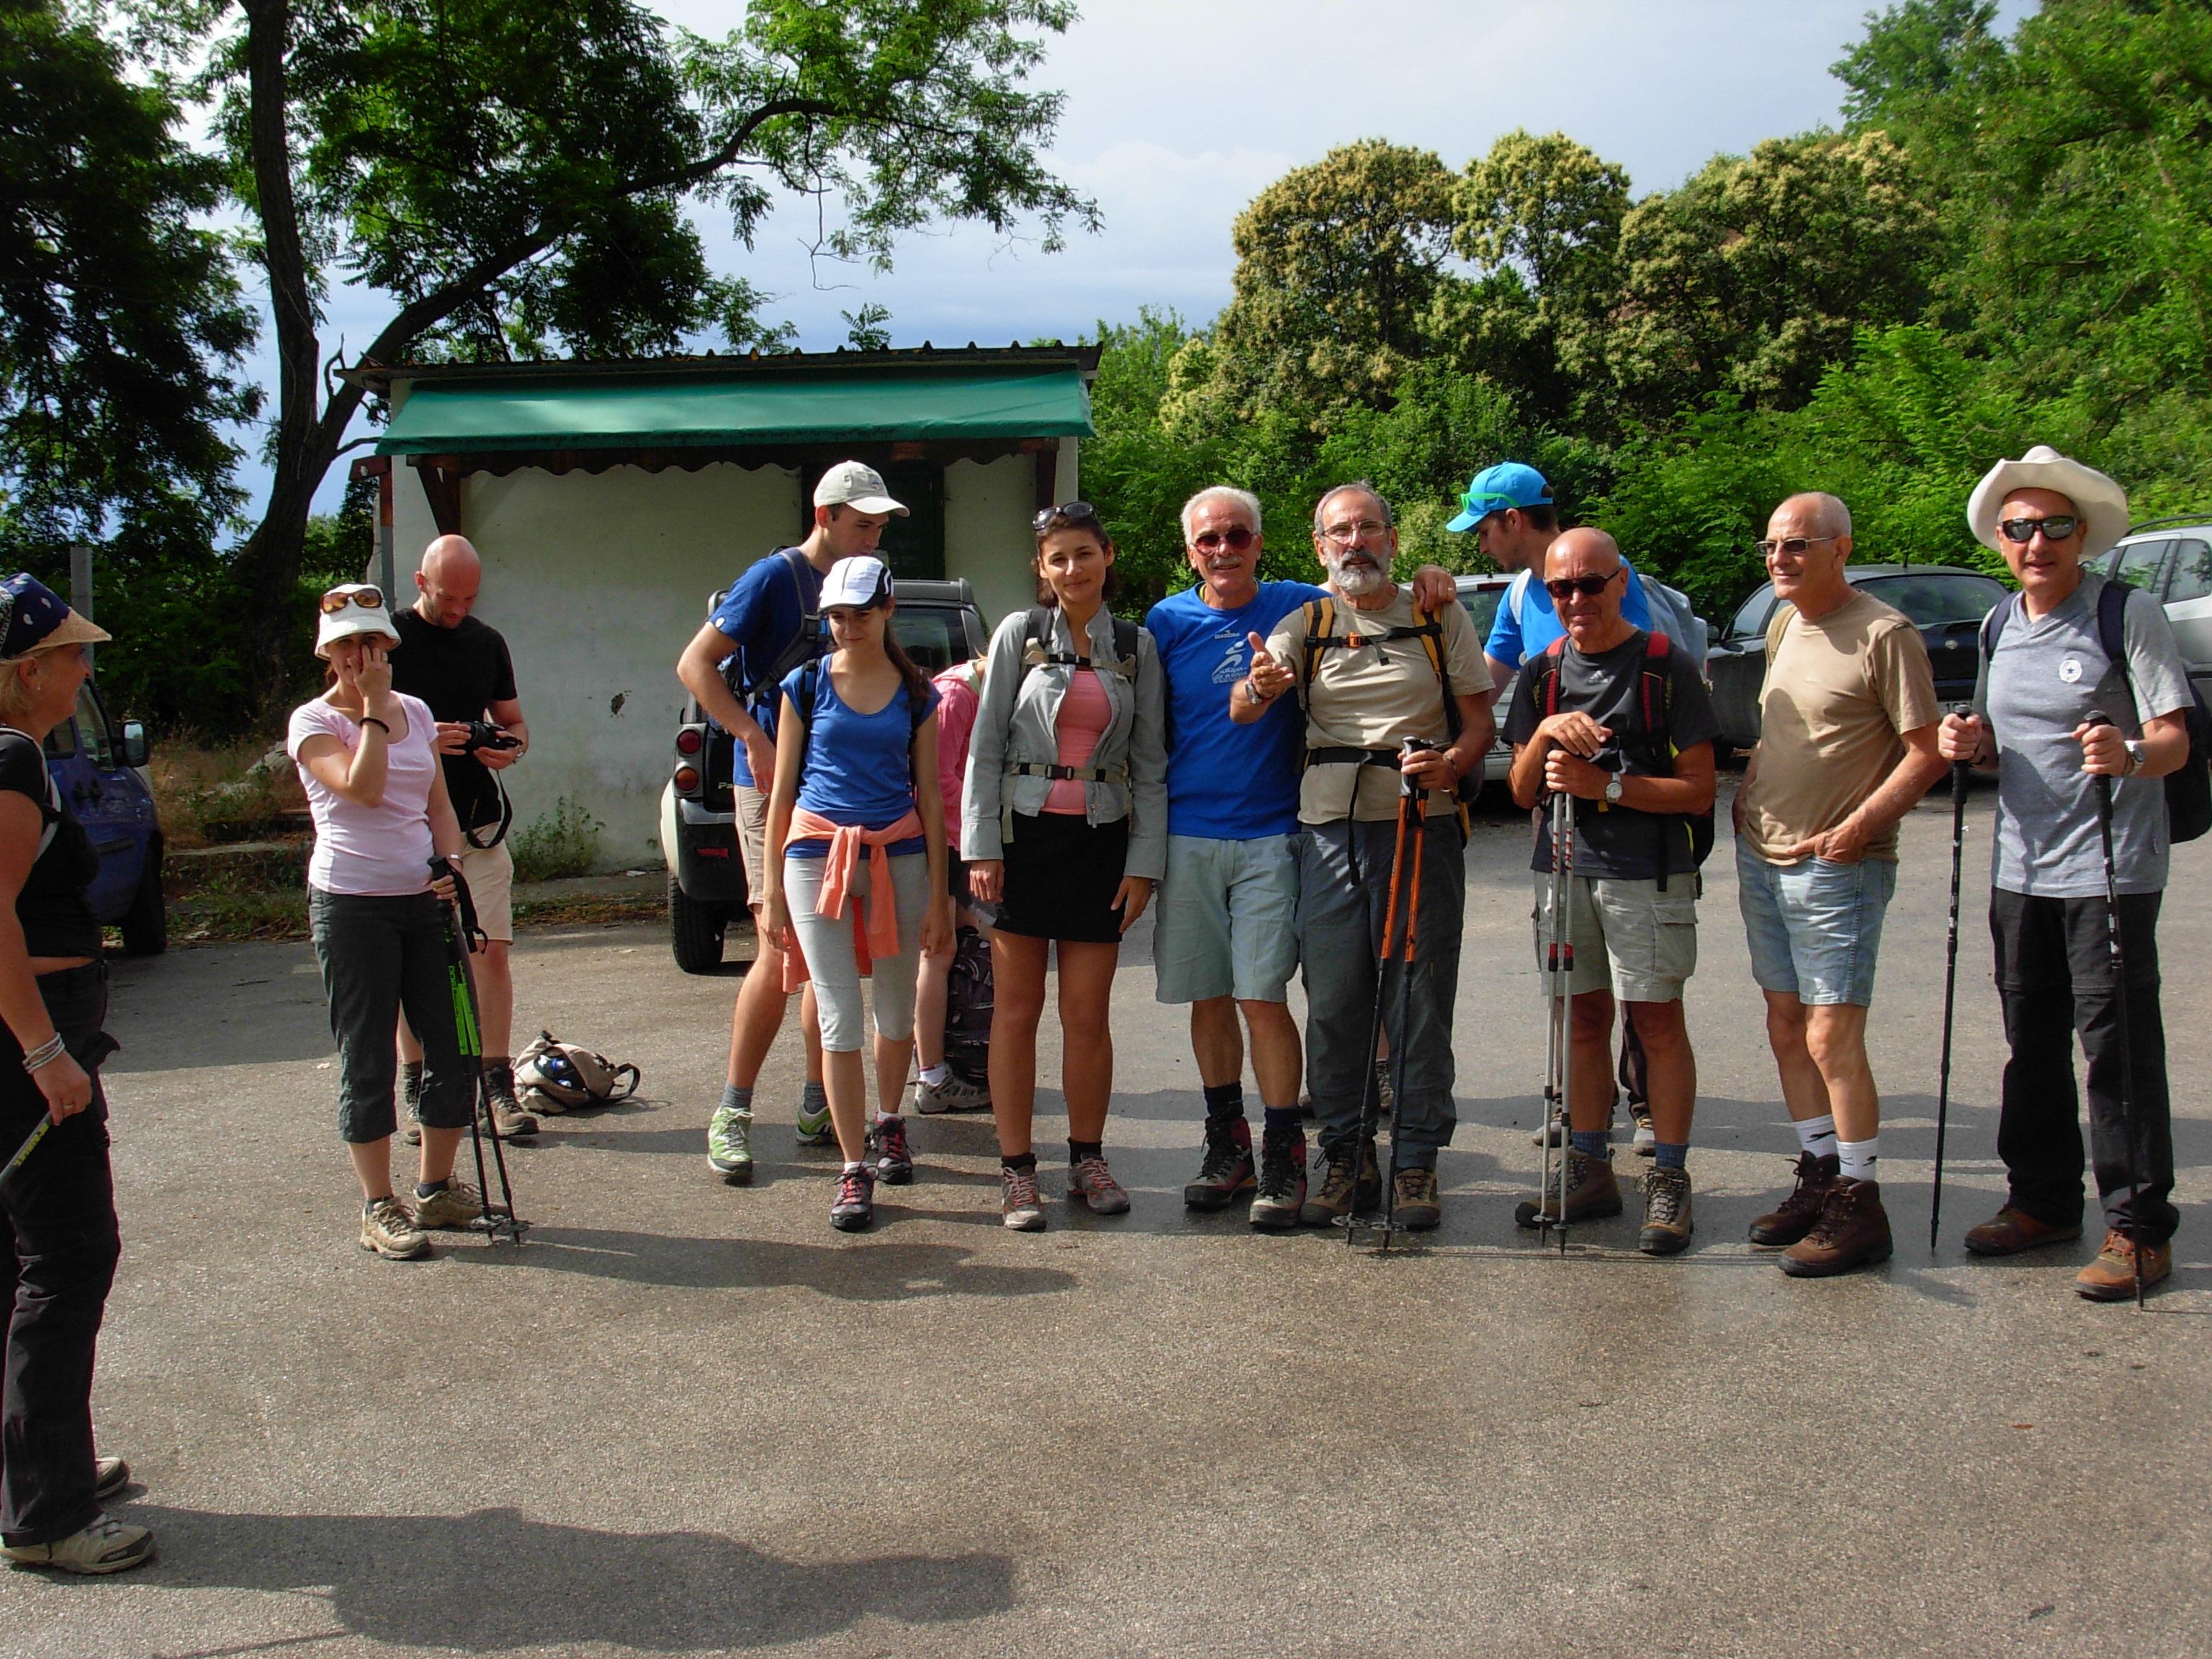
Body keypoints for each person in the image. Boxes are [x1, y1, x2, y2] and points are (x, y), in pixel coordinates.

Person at [1145, 486, 1459, 1227]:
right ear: (1190, 551)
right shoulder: (1165, 621)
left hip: (1281, 831)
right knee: (1213, 998)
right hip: (1192, 833)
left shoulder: (1298, 604)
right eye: (1208, 540)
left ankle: (1290, 1148)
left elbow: (1365, 582)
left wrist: (1432, 578)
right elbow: (1153, 731)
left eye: (1238, 536)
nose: (1224, 550)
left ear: (1261, 543)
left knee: (1268, 997)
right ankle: (1232, 1145)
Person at [1938, 446, 2193, 1301]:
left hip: (2110, 870)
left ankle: (2139, 1228)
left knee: (2116, 1048)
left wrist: (2129, 753)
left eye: (2054, 526)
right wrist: (1969, 743)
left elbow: (2173, 739)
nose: (2036, 542)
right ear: (2000, 541)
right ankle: (2042, 1202)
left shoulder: (2126, 613)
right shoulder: (1997, 625)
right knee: (2031, 1044)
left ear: (2083, 534)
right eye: (2019, 529)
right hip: (2021, 869)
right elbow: (1997, 745)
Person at [1240, 484, 1491, 1231]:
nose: (1356, 542)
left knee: (1420, 997)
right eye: (1341, 532)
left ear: (1392, 538)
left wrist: (1451, 764)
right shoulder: (1307, 623)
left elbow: (1479, 726)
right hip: (1330, 833)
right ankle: (1347, 1155)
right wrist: (1258, 685)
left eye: (1369, 528)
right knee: (1336, 998)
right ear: (1320, 547)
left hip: (1422, 825)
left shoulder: (1438, 614)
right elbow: (1245, 703)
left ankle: (1416, 1160)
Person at [1732, 493, 1946, 1275]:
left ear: (1840, 549)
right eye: (1770, 546)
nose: (1779, 559)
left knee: (1830, 1037)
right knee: (1787, 1024)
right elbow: (1779, 728)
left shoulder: (1886, 635)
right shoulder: (1784, 623)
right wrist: (1749, 790)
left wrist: (1856, 831)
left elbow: (1927, 752)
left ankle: (1860, 1204)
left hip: (1839, 867)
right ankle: (1821, 1176)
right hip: (1764, 854)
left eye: (1797, 545)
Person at [676, 462, 905, 1184]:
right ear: (823, 514)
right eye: (862, 523)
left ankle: (817, 1103)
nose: (872, 536)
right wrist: (751, 735)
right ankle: (733, 1110)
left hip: (836, 798)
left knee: (824, 959)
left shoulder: (869, 583)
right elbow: (695, 665)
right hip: (772, 786)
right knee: (779, 952)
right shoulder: (774, 578)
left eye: (879, 526)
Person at [1449, 460, 1686, 1154]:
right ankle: (1585, 1110)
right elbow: (1487, 678)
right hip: (1553, 791)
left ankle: (1645, 1104)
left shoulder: (1603, 578)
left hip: (1623, 800)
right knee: (1573, 984)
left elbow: (1625, 679)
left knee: (1638, 979)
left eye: (1484, 530)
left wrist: (1579, 753)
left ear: (1512, 519)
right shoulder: (1524, 593)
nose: (1481, 544)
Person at [1503, 529, 1718, 1254]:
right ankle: (1590, 1167)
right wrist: (1544, 735)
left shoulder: (1665, 666)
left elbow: (1698, 791)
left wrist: (1608, 786)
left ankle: (1670, 1176)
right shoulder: (1542, 672)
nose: (1576, 599)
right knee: (1581, 1020)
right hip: (1562, 869)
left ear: (1621, 581)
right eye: (1561, 588)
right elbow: (1520, 789)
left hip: (1647, 872)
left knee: (1655, 1022)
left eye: (1590, 584)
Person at [0, 578, 149, 1575]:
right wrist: (45, 1053)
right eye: (71, 655)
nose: (84, 669)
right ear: (27, 671)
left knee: (20, 1259)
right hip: (28, 1041)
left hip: (29, 1035)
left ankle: (37, 1471)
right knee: (68, 1255)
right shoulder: (12, 759)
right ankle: (47, 1514)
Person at [964, 503, 1167, 1230]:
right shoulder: (1019, 634)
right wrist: (981, 847)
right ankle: (1018, 1171)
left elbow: (1150, 764)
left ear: (1108, 556)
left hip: (1099, 844)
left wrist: (1144, 865)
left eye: (1085, 553)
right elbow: (985, 747)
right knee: (1016, 1014)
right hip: (1020, 842)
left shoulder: (1136, 646)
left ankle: (1088, 1159)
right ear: (1042, 569)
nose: (1073, 569)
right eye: (1059, 558)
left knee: (1087, 1016)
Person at [289, 585, 484, 1259]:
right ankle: (378, 1205)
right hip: (351, 906)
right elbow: (364, 788)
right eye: (346, 644)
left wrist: (450, 864)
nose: (359, 655)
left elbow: (438, 805)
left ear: (389, 647)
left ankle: (435, 1188)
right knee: (367, 1054)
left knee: (456, 1041)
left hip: (424, 901)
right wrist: (372, 709)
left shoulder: (418, 712)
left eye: (371, 641)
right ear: (327, 653)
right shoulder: (313, 721)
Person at [760, 557, 952, 1232]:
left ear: (888, 610)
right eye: (837, 617)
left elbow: (931, 797)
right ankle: (851, 1168)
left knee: (895, 1011)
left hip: (898, 853)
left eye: (860, 615)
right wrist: (770, 891)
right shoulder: (805, 683)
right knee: (839, 1015)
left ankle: (889, 1121)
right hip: (816, 853)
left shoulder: (917, 691)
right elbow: (782, 791)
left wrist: (940, 898)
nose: (847, 627)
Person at [387, 534, 536, 1142]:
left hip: (477, 821)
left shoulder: (487, 642)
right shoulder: (388, 641)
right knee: (412, 964)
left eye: (470, 598)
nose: (458, 610)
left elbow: (515, 721)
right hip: (407, 828)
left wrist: (509, 748)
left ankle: (496, 1084)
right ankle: (420, 1086)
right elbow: (356, 729)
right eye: (448, 598)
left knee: (490, 952)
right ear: (420, 583)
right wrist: (423, 739)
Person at [908, 648, 992, 1114]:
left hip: (962, 839)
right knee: (936, 953)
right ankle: (932, 1076)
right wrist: (988, 816)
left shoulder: (983, 692)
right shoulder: (956, 694)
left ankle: (954, 1061)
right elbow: (934, 784)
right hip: (940, 841)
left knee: (962, 946)